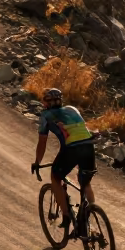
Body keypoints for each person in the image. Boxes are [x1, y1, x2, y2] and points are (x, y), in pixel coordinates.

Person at [32, 87, 96, 233]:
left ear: (46, 103)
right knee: (85, 182)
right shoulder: (72, 109)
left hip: (71, 149)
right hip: (88, 147)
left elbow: (42, 142)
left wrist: (37, 162)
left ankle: (66, 216)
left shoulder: (46, 116)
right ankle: (91, 211)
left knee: (55, 178)